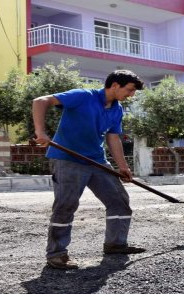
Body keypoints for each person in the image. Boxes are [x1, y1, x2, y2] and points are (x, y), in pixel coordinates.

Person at [33, 70, 145, 269]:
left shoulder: (117, 109)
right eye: (129, 90)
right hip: (68, 159)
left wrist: (123, 167)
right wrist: (40, 132)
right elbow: (41, 101)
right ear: (115, 85)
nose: (131, 95)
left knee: (119, 201)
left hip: (96, 161)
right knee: (65, 205)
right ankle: (57, 254)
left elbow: (112, 138)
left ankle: (116, 244)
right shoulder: (83, 96)